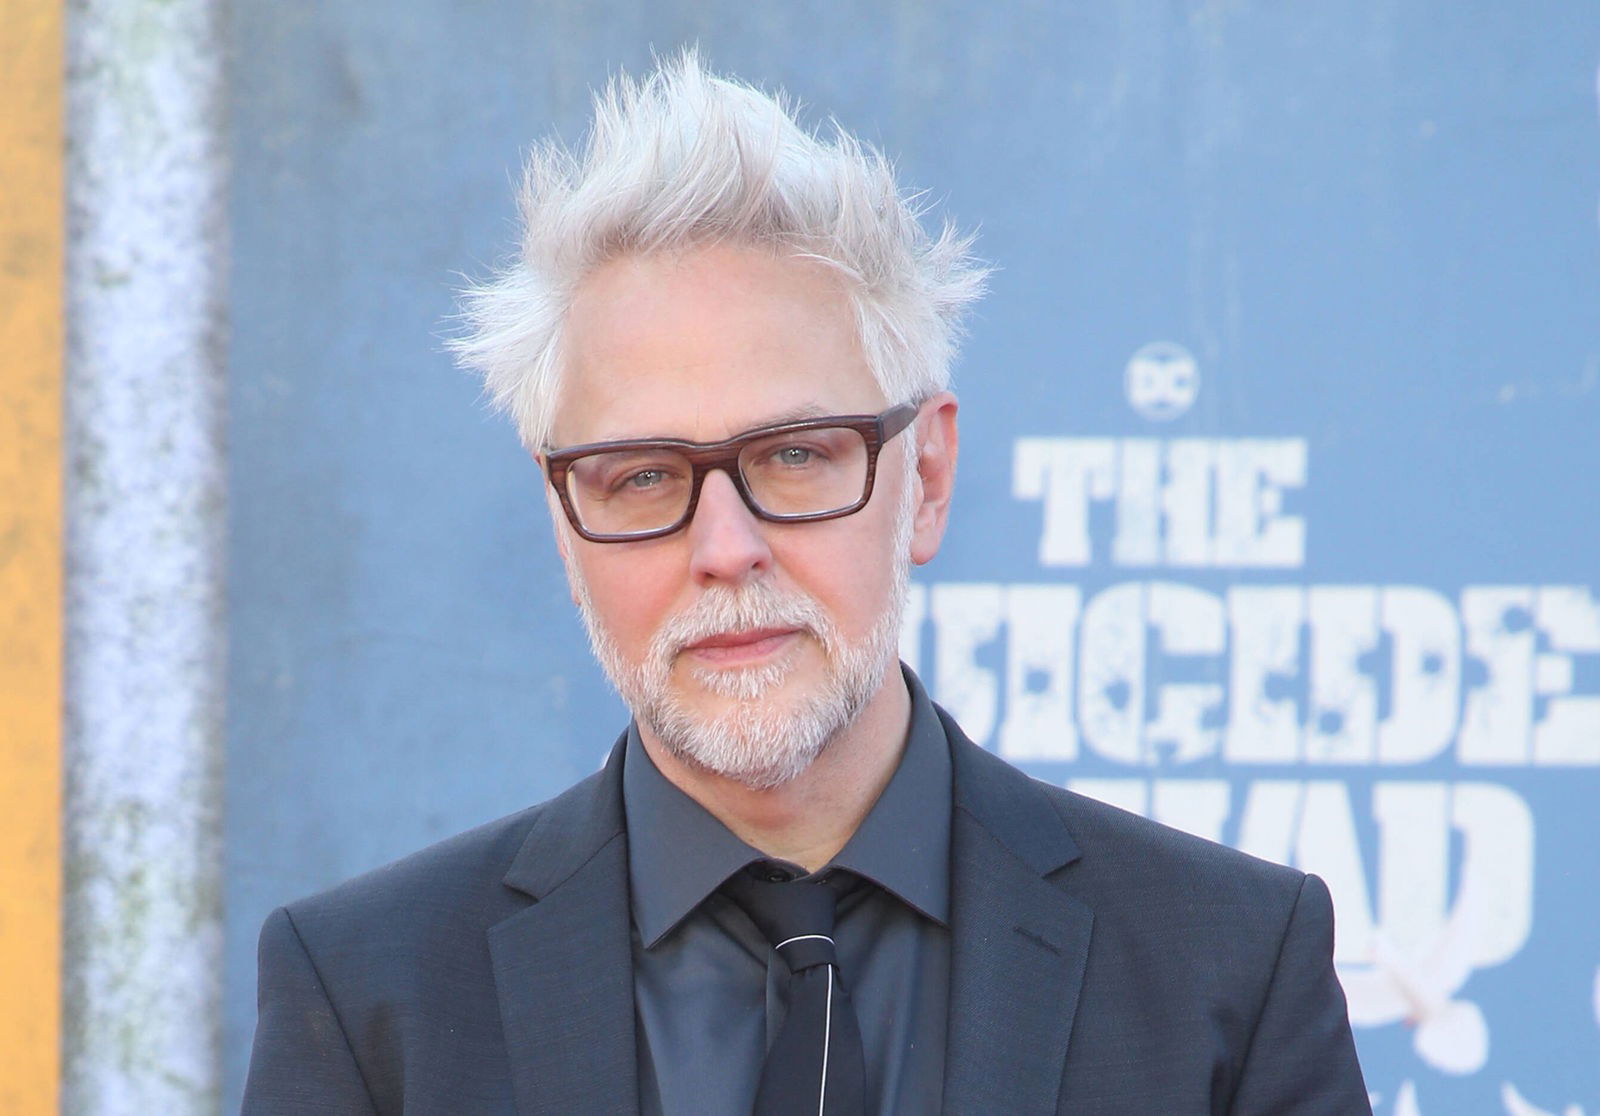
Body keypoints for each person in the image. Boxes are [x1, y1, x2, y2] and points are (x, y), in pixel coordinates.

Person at [242, 52, 1370, 1115]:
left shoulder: (1230, 964)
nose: (724, 546)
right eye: (643, 476)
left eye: (793, 455)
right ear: (563, 521)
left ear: (926, 478)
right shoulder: (371, 997)